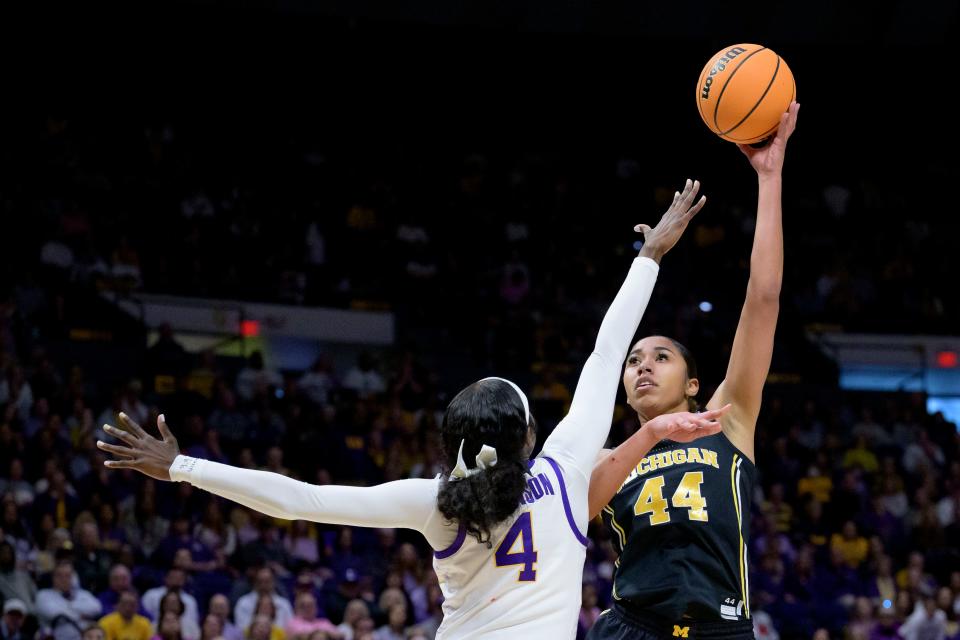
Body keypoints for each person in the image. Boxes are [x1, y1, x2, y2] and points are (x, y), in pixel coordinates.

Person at [98, 179, 723, 639]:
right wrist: (649, 257)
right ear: (530, 433)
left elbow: (299, 501)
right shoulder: (561, 474)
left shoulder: (437, 502)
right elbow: (605, 348)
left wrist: (183, 466)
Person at [586, 102, 800, 639]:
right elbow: (577, 514)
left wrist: (769, 178)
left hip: (720, 628)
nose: (643, 367)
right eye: (633, 361)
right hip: (633, 627)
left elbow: (764, 299)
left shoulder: (728, 421)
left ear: (694, 384)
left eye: (661, 357)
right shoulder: (607, 459)